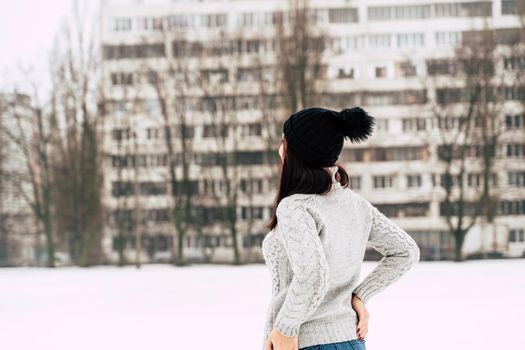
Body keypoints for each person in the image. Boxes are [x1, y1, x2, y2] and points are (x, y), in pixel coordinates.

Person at [261, 107, 421, 350]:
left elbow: (313, 276)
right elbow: (406, 251)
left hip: (306, 343)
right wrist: (359, 296)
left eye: (284, 142)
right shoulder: (355, 204)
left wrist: (285, 328)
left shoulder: (295, 208)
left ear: (297, 152)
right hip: (351, 341)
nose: (280, 148)